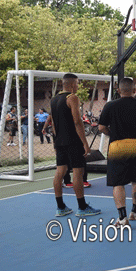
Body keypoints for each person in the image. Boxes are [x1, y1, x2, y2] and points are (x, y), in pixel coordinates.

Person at [98, 77, 136, 227]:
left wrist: (112, 133)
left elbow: (101, 127)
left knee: (118, 183)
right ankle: (134, 212)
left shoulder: (110, 105)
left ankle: (122, 218)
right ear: (134, 90)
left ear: (118, 90)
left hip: (117, 146)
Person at [49, 73, 99, 217]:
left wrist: (56, 142)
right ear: (71, 84)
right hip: (73, 141)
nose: (78, 86)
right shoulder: (72, 98)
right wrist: (85, 143)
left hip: (60, 141)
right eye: (77, 83)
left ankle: (60, 207)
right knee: (78, 172)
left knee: (60, 172)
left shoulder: (53, 100)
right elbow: (77, 121)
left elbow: (53, 125)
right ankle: (82, 207)